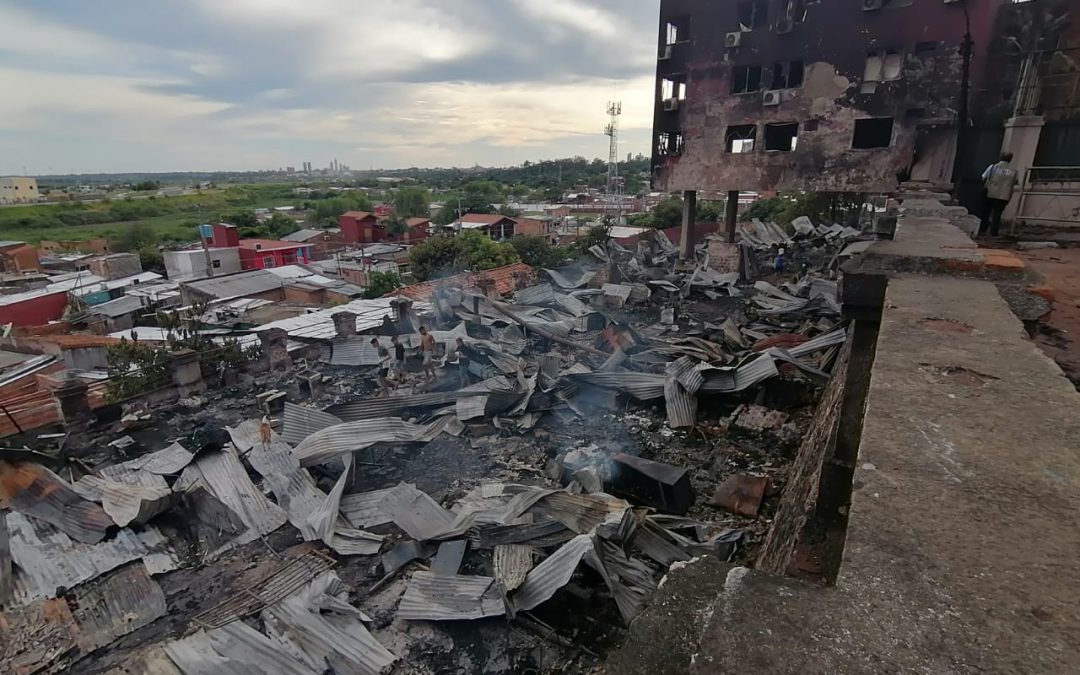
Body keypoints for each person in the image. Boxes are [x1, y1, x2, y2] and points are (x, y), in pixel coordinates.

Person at [981, 152, 1018, 237]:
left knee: (986, 211)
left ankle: (983, 229)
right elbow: (1015, 182)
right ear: (1010, 159)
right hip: (1004, 195)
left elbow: (983, 177)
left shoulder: (993, 167)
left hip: (991, 192)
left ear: (1000, 157)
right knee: (997, 214)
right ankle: (993, 232)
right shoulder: (1014, 171)